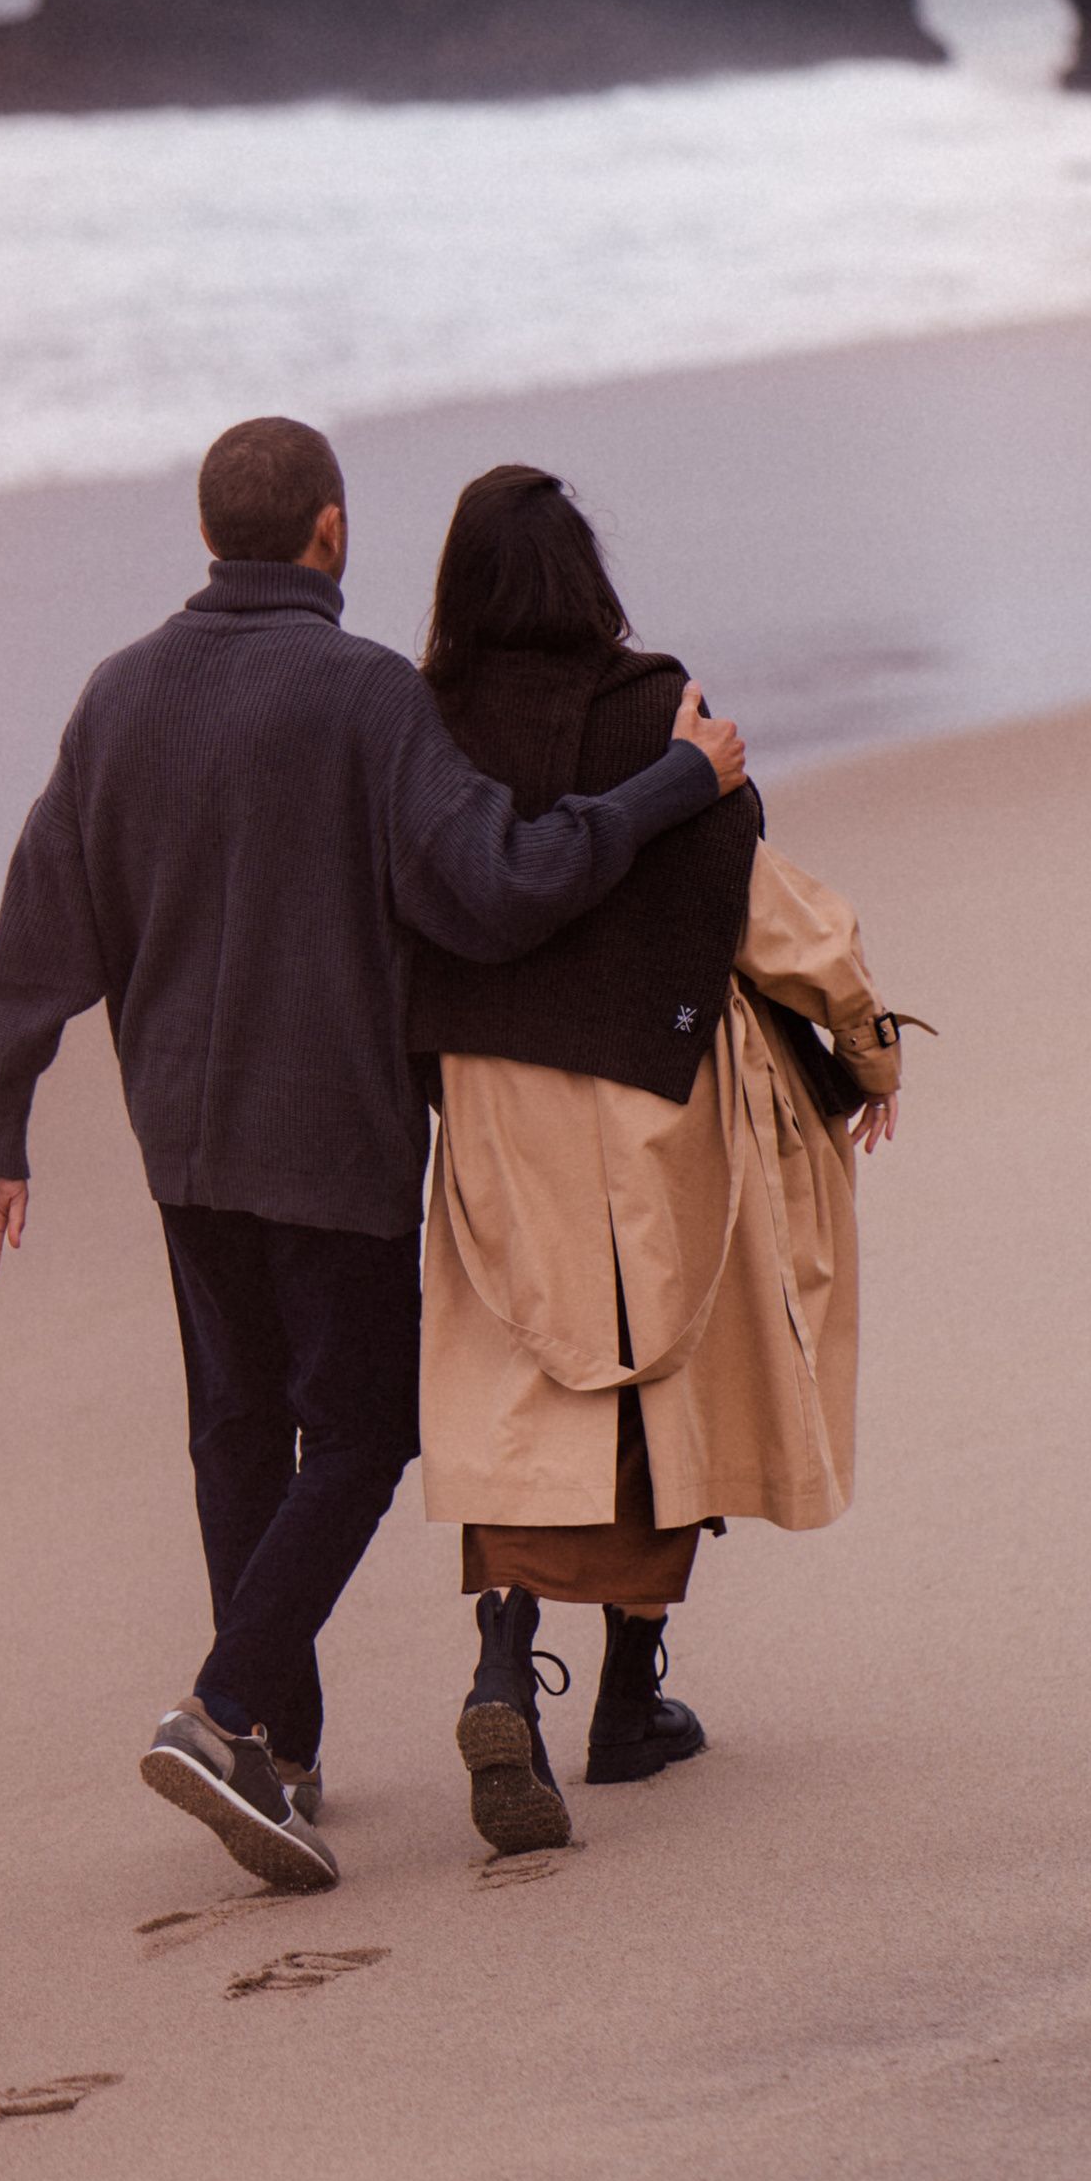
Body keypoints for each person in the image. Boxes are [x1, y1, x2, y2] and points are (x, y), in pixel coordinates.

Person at [0, 417, 748, 1896]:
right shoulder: (366, 698)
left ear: (213, 531)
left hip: (182, 1144)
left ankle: (285, 1754)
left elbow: (38, 927)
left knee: (241, 1433)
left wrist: (0, 1127)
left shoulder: (116, 697)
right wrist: (672, 788)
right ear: (328, 532)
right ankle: (224, 1709)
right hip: (332, 1141)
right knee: (365, 1432)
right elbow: (498, 890)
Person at [404, 466, 913, 1858]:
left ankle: (505, 1664)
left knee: (520, 1375)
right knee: (657, 1383)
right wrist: (865, 1042)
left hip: (489, 1095)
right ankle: (628, 1702)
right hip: (649, 1093)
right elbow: (755, 901)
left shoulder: (424, 726)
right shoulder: (658, 714)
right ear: (584, 580)